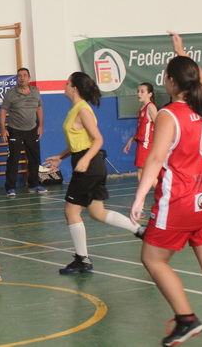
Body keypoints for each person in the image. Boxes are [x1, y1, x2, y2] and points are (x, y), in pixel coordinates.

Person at [130, 32, 202, 347]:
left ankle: (186, 319)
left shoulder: (169, 114)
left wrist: (139, 197)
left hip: (180, 202)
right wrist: (182, 52)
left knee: (153, 259)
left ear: (170, 81)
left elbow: (155, 158)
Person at [44, 72, 144, 274]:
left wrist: (85, 159)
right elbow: (80, 141)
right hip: (90, 164)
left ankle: (83, 259)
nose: (64, 85)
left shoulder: (83, 110)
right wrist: (61, 156)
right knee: (97, 212)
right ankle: (140, 230)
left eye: (67, 83)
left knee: (71, 211)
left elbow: (97, 139)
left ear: (75, 88)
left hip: (89, 166)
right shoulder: (75, 109)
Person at [0, 67, 47, 196]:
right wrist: (3, 129)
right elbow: (3, 111)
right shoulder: (11, 93)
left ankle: (34, 184)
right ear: (17, 78)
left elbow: (39, 109)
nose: (22, 77)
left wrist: (40, 126)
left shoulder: (35, 91)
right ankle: (10, 187)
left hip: (32, 129)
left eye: (24, 75)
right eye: (19, 75)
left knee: (34, 158)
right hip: (15, 130)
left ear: (29, 78)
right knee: (13, 159)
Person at [123, 82, 158, 183]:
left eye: (142, 92)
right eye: (138, 91)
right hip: (141, 143)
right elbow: (142, 128)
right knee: (144, 174)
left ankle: (159, 191)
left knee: (142, 174)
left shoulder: (150, 107)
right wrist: (131, 139)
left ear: (150, 94)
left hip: (147, 144)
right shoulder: (142, 107)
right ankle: (159, 191)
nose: (139, 94)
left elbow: (159, 125)